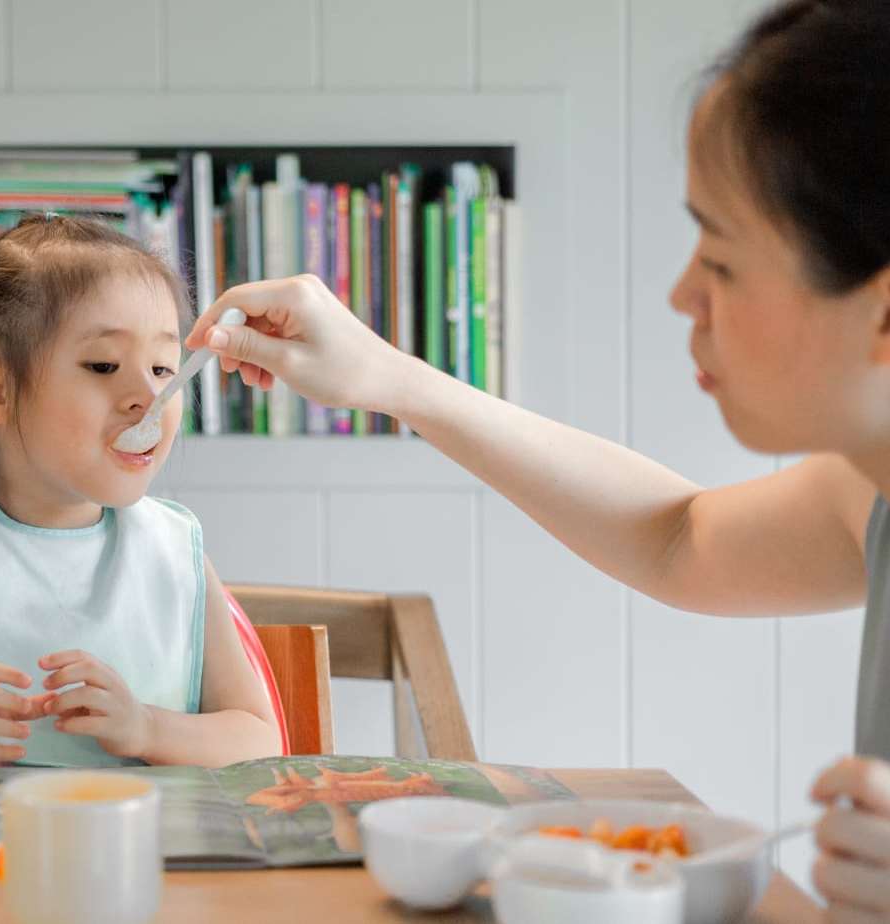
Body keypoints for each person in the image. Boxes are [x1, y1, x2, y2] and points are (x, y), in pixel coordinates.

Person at [188, 1, 890, 914]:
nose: (682, 293)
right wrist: (390, 378)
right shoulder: (865, 491)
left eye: (719, 259)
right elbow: (678, 539)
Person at [0, 213, 279, 769]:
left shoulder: (175, 551)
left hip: (148, 829)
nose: (149, 397)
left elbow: (258, 741)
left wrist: (146, 728)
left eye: (164, 368)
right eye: (104, 365)